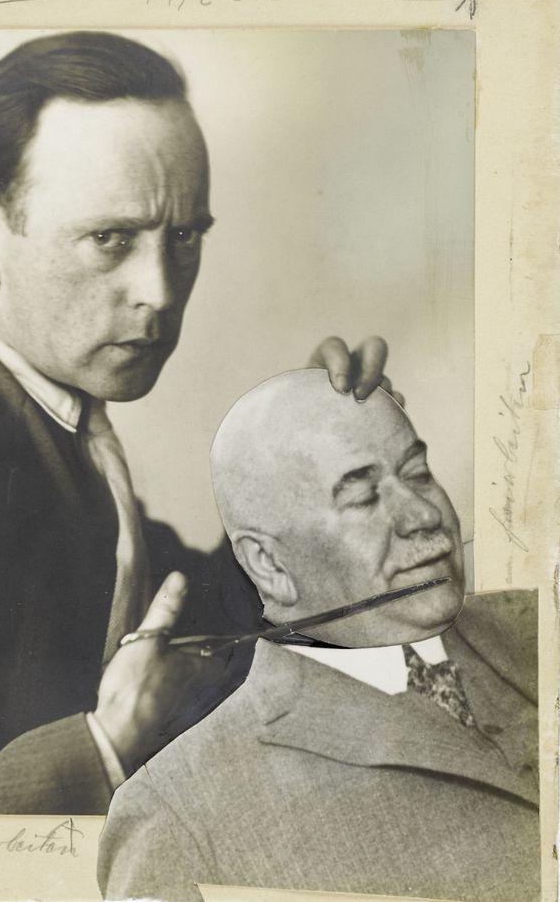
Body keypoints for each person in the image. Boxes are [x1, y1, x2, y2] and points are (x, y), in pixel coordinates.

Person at [0, 32, 395, 814]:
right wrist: (107, 742)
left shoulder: (35, 410)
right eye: (109, 238)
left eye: (184, 236)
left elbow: (168, 610)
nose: (159, 291)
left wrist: (309, 460)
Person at [98, 369, 539, 902]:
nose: (425, 515)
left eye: (418, 473)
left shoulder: (542, 623)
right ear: (270, 565)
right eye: (363, 499)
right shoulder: (177, 814)